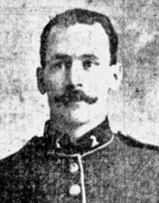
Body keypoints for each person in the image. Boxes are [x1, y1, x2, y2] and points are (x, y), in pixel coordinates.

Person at [0, 8, 159, 203]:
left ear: (114, 76)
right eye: (60, 64)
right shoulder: (7, 177)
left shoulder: (153, 170)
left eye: (88, 64)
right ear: (41, 80)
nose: (74, 80)